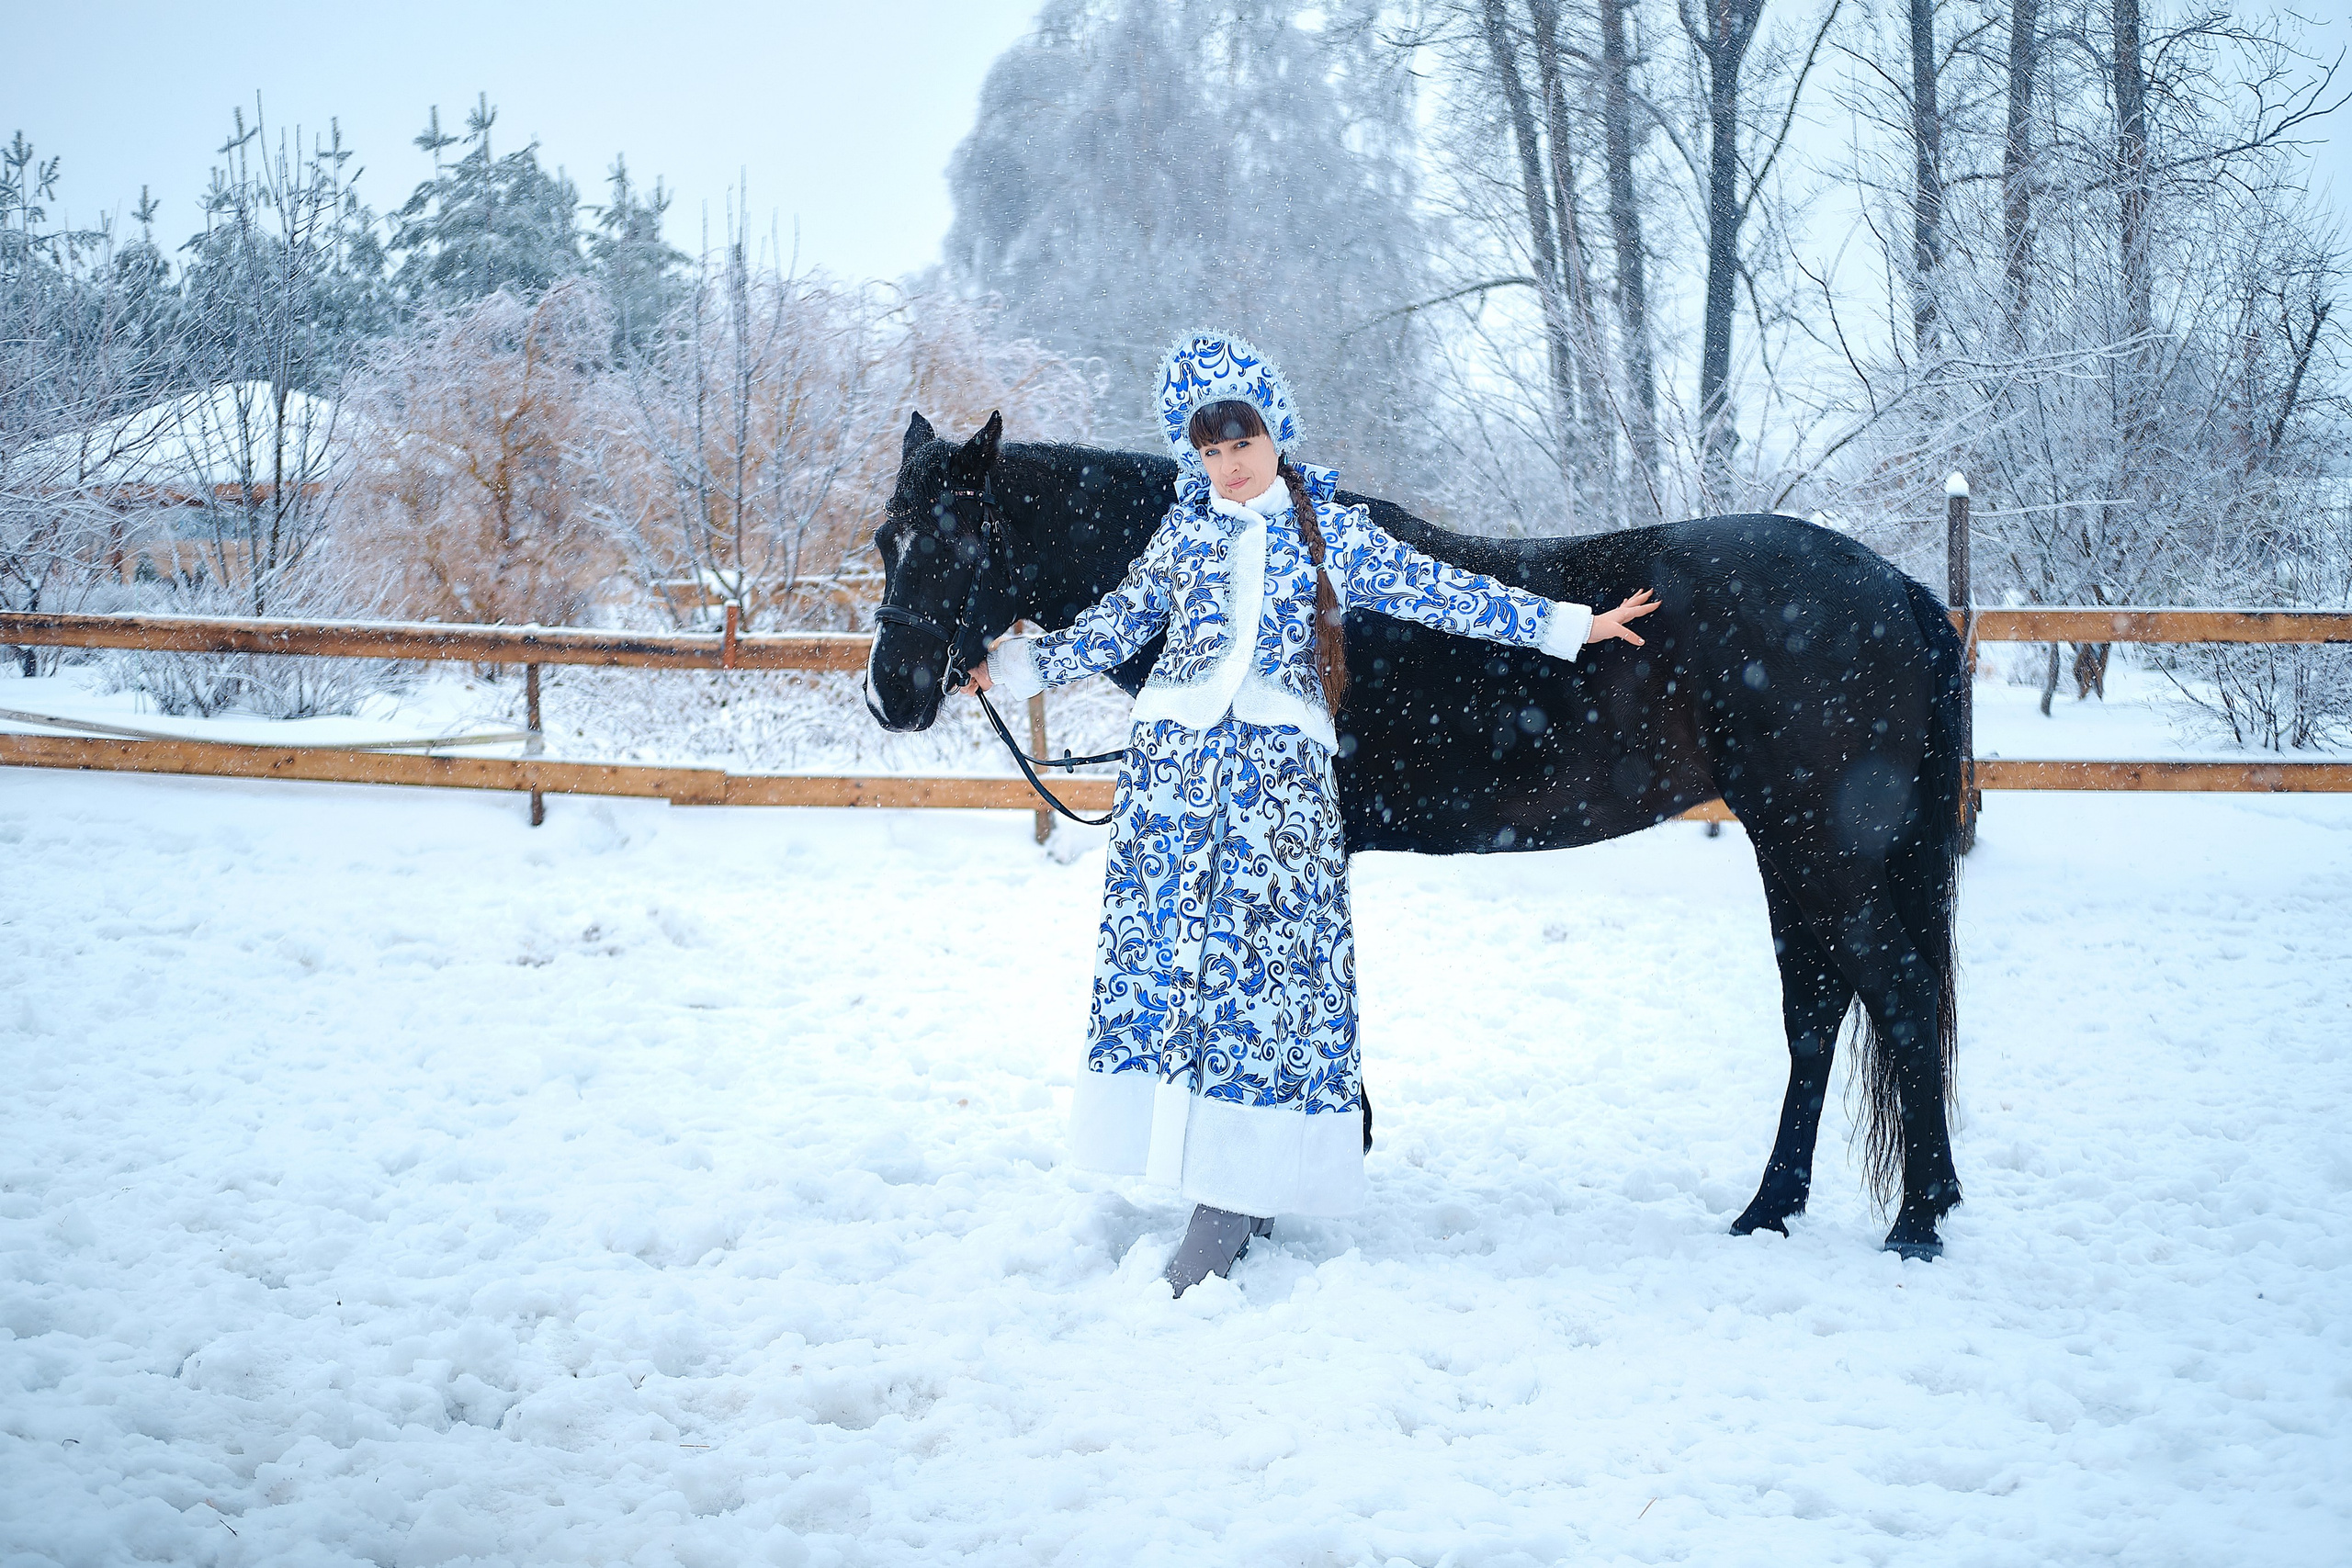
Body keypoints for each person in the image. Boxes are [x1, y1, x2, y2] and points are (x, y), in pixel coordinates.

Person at [970, 331, 1657, 1294]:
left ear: (1274, 431)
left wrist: (1571, 625)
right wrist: (1003, 667)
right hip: (1173, 782)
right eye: (1206, 450)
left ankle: (1240, 1183)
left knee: (1264, 977)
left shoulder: (1330, 531)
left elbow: (1445, 593)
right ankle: (1197, 1160)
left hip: (1274, 791)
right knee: (1181, 969)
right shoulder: (1183, 532)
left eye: (1239, 440)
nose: (1226, 463)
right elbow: (1114, 627)